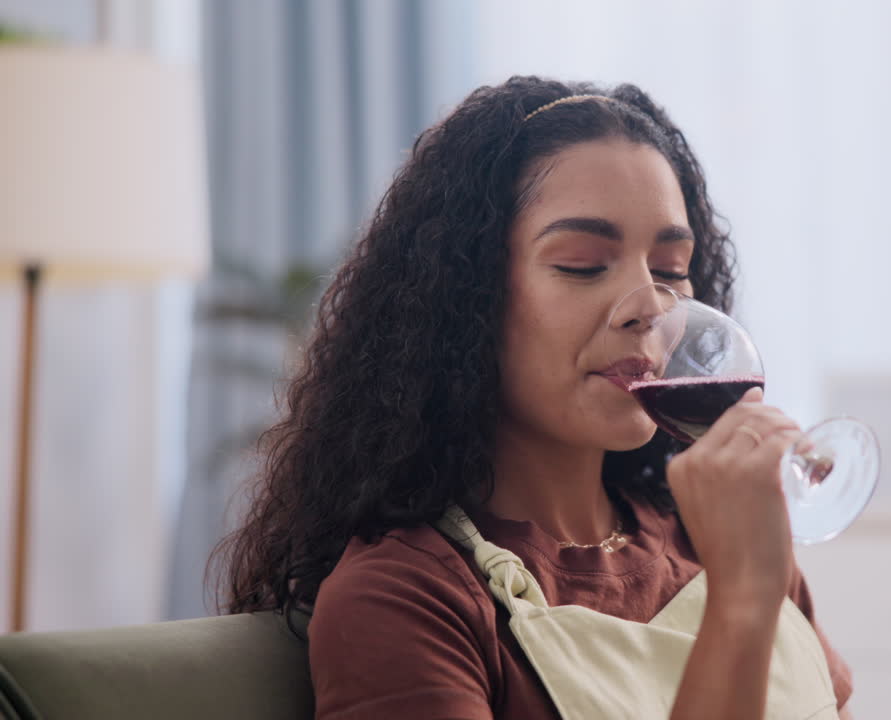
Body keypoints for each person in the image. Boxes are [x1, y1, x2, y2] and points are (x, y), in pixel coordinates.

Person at [215, 76, 853, 719]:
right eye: (582, 263)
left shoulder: (716, 538)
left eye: (668, 272)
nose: (649, 308)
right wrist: (741, 602)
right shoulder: (406, 598)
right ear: (467, 298)